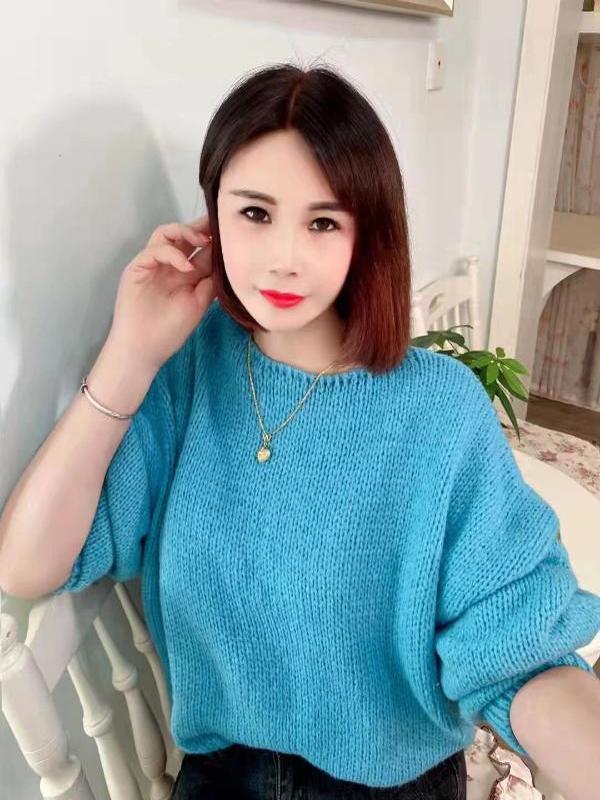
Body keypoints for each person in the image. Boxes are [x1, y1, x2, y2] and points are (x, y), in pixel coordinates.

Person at [1, 62, 599, 800]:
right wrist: (131, 351)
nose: (284, 258)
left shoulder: (440, 409)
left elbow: (518, 645)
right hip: (224, 776)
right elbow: (25, 567)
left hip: (395, 784)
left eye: (323, 223)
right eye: (255, 214)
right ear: (212, 218)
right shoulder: (190, 371)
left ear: (366, 235)